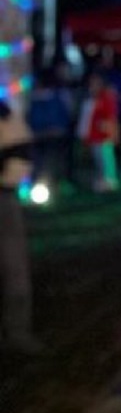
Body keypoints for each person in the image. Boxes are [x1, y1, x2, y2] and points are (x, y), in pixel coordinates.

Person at [0, 100, 45, 354]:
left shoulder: (5, 115)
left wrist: (7, 179)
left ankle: (17, 332)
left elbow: (21, 151)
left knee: (13, 265)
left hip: (3, 198)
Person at [77, 71, 120, 193]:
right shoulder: (90, 98)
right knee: (98, 159)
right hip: (94, 135)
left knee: (106, 159)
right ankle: (102, 180)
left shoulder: (106, 97)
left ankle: (109, 181)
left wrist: (113, 132)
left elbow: (111, 116)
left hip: (104, 135)